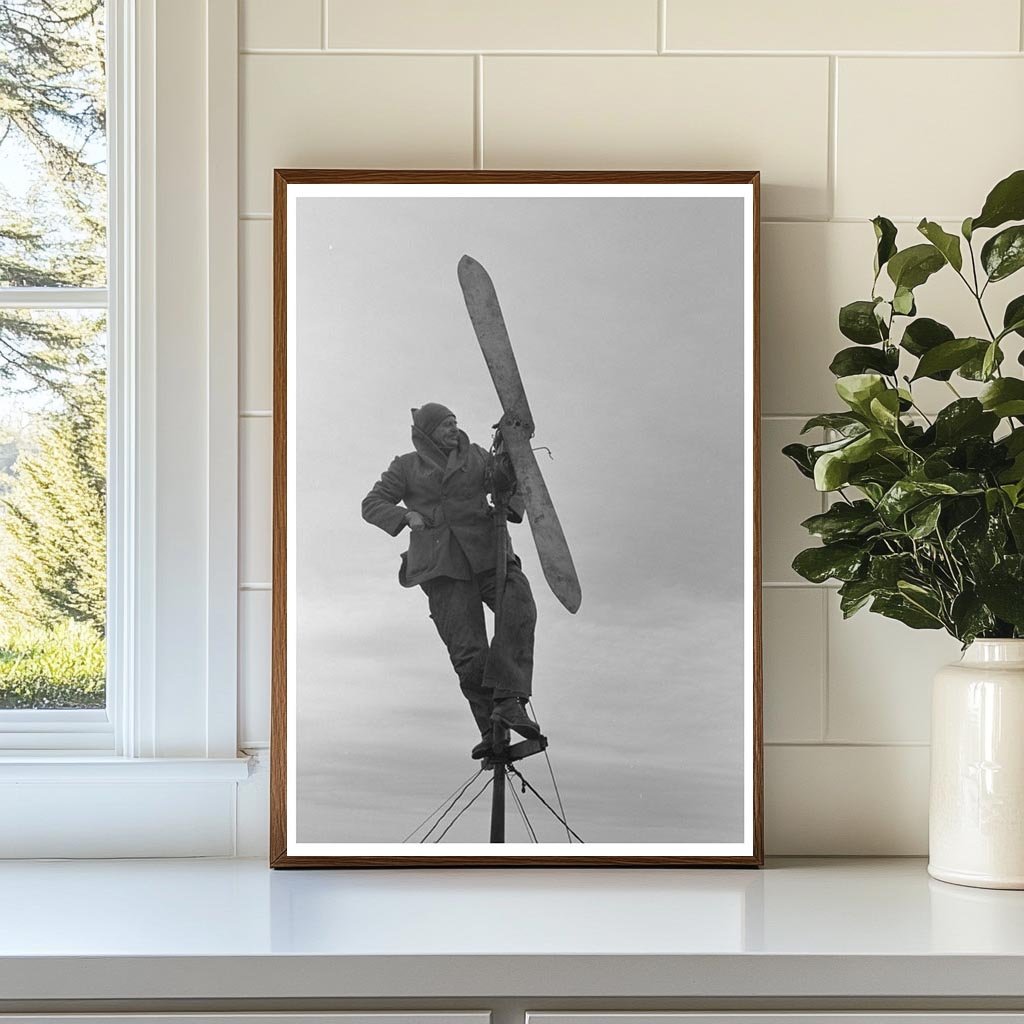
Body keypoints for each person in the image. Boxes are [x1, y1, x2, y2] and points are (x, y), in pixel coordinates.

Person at [361, 403, 540, 759]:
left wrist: (511, 446)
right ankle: (492, 730)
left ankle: (508, 699)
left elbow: (510, 478)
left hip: (488, 551)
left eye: (455, 421)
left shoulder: (475, 455)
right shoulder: (407, 466)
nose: (453, 427)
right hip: (441, 564)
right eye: (445, 424)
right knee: (468, 652)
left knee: (521, 606)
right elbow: (372, 503)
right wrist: (405, 515)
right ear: (428, 432)